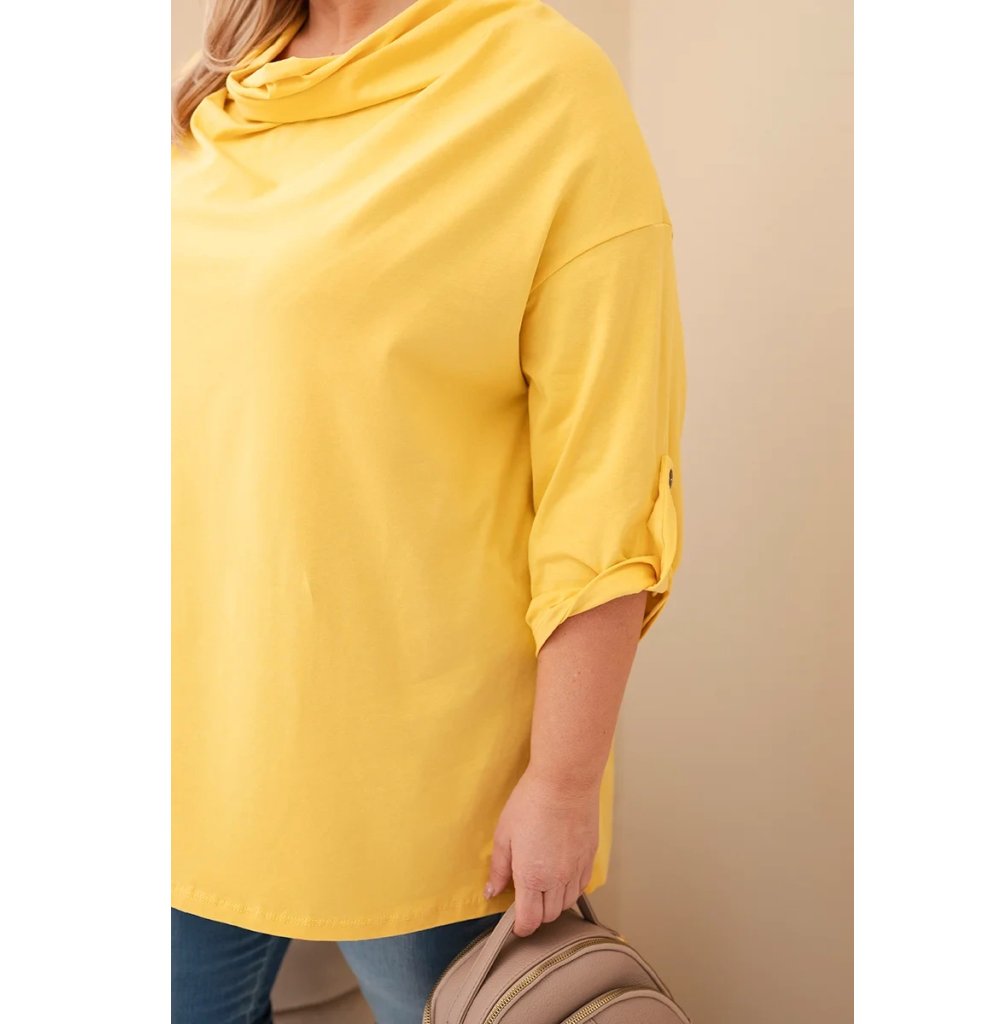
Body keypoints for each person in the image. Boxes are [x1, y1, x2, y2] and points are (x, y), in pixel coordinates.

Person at [170, 0, 687, 1020]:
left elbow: (606, 475)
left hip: (426, 773)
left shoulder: (542, 86)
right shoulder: (224, 85)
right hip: (195, 735)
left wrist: (564, 781)